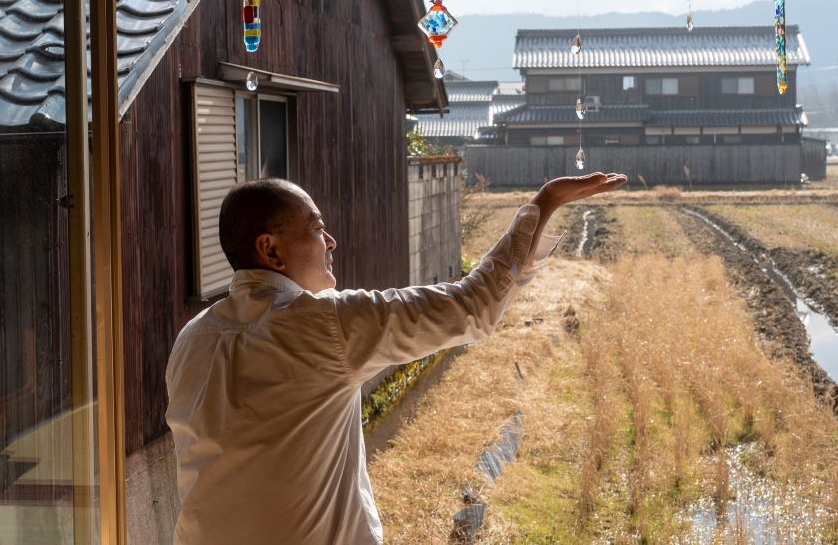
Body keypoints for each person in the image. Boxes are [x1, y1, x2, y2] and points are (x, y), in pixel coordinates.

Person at [165, 172, 627, 544]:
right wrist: (544, 201)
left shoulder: (192, 340)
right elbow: (473, 307)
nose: (331, 241)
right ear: (270, 250)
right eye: (316, 227)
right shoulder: (323, 325)